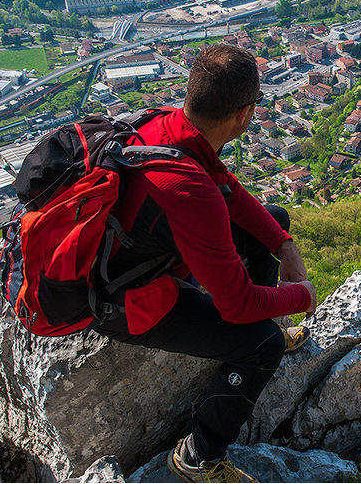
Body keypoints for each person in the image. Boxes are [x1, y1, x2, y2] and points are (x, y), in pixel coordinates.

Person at [92, 44, 316, 483]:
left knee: (272, 221)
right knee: (261, 345)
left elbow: (225, 185)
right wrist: (299, 296)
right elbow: (236, 304)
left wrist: (283, 243)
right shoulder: (190, 193)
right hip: (124, 300)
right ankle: (199, 456)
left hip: (131, 255)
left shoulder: (165, 123)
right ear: (245, 114)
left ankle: (263, 325)